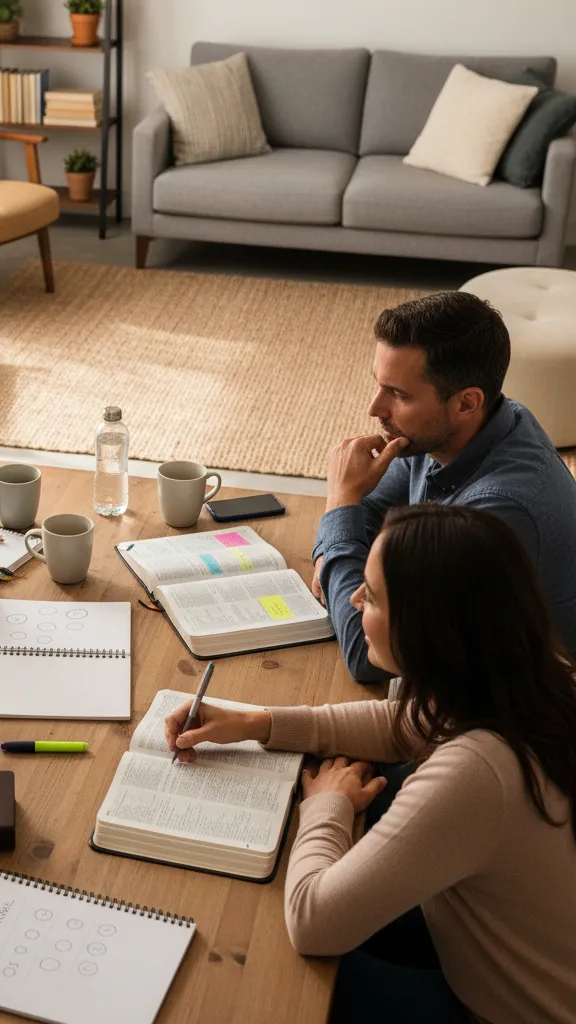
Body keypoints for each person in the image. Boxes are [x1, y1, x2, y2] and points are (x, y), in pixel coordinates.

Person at [166, 504, 576, 1024]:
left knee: (255, 978)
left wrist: (328, 806)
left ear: (428, 628)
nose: (355, 597)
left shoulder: (478, 773)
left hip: (500, 1009)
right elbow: (403, 722)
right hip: (507, 946)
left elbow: (314, 921)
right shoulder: (534, 677)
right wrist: (257, 721)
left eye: (373, 594)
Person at [312, 290, 576, 682]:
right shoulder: (450, 430)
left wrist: (340, 505)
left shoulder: (498, 511)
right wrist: (345, 534)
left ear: (467, 403)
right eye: (379, 385)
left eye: (398, 394)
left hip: (520, 718)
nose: (375, 409)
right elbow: (370, 513)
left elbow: (369, 656)